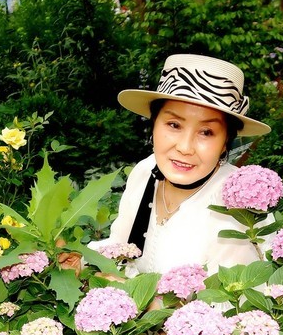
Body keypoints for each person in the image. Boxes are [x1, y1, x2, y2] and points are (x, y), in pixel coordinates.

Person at [88, 54, 272, 276]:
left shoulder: (238, 204)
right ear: (153, 125)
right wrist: (82, 260)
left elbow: (238, 301)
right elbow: (120, 247)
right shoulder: (145, 171)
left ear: (225, 142)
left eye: (206, 132)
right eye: (174, 125)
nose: (185, 147)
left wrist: (143, 299)